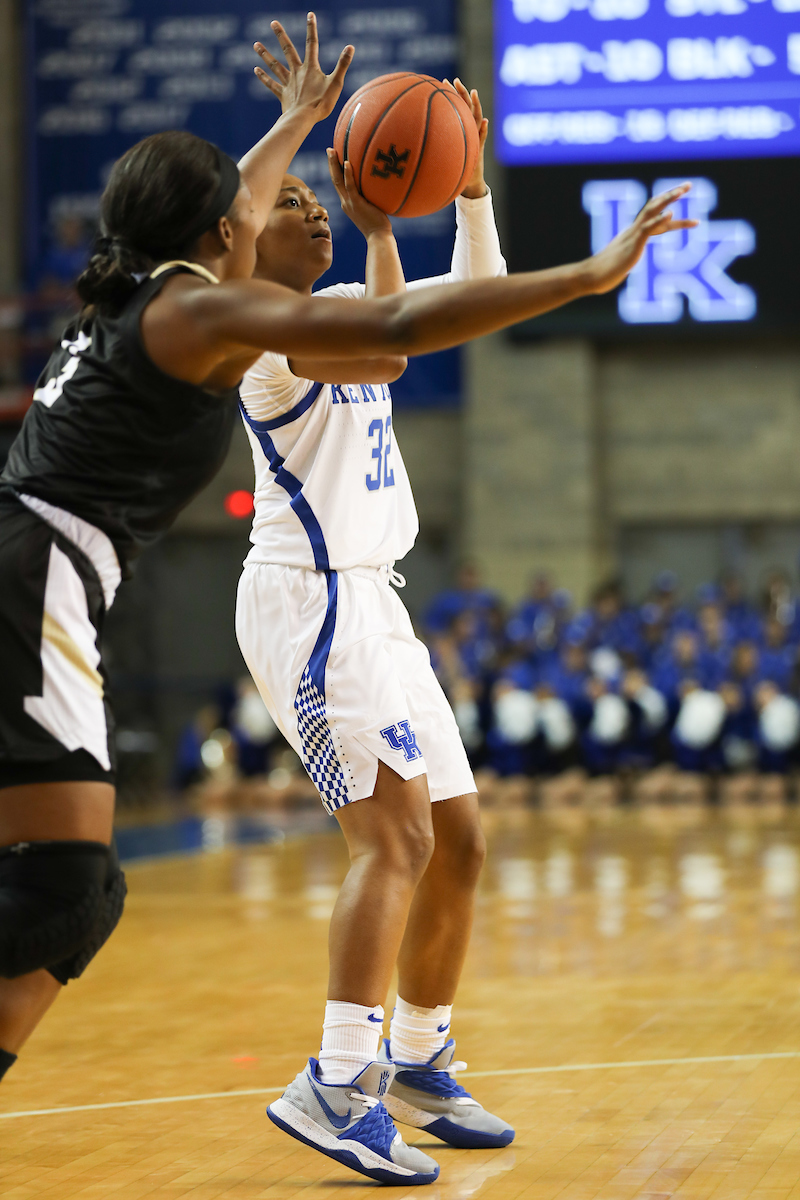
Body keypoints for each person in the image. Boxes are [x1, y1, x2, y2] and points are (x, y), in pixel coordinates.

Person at [0, 6, 694, 1168]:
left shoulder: (183, 292)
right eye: (280, 207)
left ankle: (414, 1054)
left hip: (363, 596)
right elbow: (401, 330)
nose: (302, 204)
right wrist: (587, 272)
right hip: (295, 595)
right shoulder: (243, 328)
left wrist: (364, 151)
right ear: (232, 237)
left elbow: (391, 316)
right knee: (378, 843)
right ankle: (335, 1079)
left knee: (456, 840)